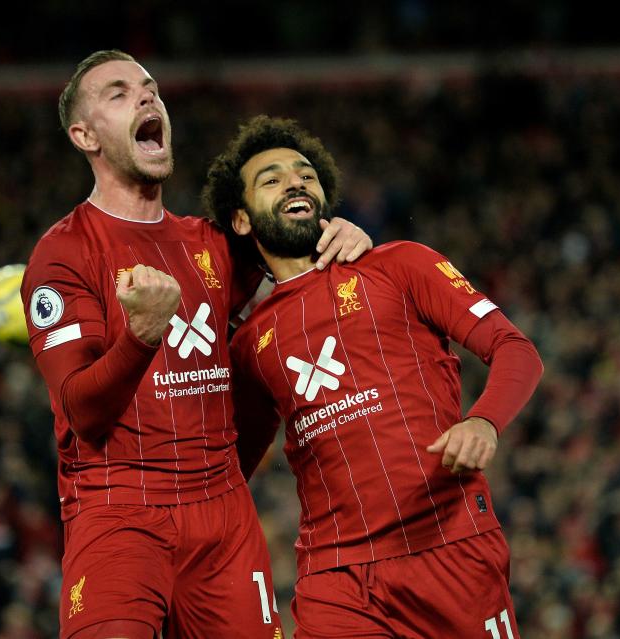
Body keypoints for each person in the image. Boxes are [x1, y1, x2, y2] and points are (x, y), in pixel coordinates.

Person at [21, 51, 371, 639]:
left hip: (223, 514)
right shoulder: (64, 254)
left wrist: (347, 233)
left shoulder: (210, 242)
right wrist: (140, 337)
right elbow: (81, 412)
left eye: (150, 87)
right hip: (119, 510)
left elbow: (300, 244)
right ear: (84, 136)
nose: (146, 97)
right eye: (118, 93)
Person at [203, 115, 544, 638]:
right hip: (334, 574)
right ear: (243, 220)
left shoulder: (401, 265)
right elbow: (233, 468)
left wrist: (484, 423)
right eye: (270, 179)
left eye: (306, 174)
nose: (295, 181)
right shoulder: (249, 343)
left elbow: (516, 350)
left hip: (447, 546)